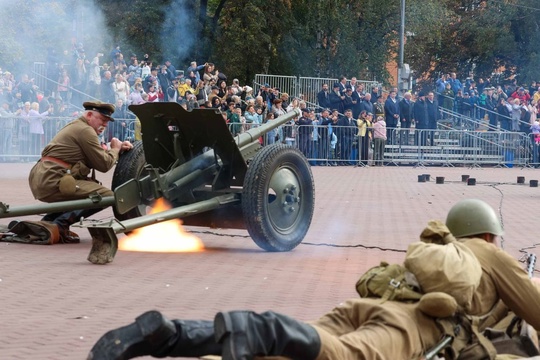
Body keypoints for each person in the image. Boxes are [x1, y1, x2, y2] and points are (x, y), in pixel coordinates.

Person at [89, 198, 540, 360]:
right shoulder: (489, 254)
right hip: (413, 325)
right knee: (346, 358)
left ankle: (173, 336)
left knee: (296, 354)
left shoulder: (439, 252)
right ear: (487, 234)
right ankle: (263, 326)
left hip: (365, 307)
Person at [27, 101, 133, 243]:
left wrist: (115, 149)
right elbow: (104, 164)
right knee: (107, 196)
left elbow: (93, 154)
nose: (105, 124)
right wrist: (115, 148)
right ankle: (60, 226)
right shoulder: (85, 130)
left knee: (87, 190)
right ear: (89, 115)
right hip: (52, 180)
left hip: (45, 177)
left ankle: (48, 222)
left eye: (107, 121)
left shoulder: (79, 126)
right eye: (102, 119)